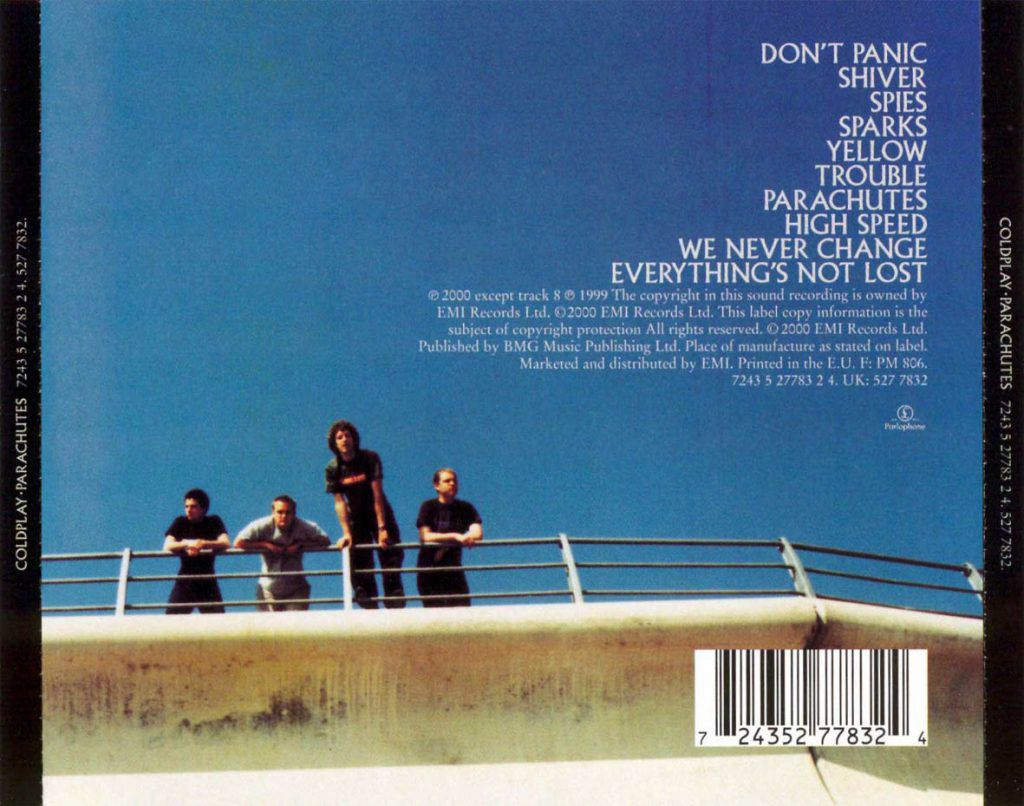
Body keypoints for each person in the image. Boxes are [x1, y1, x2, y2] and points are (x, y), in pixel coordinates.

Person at [325, 420, 406, 609]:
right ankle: (367, 596)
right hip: (356, 515)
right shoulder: (333, 468)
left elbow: (377, 494)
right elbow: (339, 502)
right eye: (339, 437)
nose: (344, 440)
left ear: (354, 439)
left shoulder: (369, 458)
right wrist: (346, 532)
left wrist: (382, 528)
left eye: (347, 436)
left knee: (389, 551)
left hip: (379, 512)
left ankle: (394, 596)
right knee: (358, 554)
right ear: (334, 443)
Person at [233, 495, 330, 611]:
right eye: (280, 512)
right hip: (268, 589)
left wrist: (300, 544)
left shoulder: (303, 525)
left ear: (294, 513)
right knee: (267, 623)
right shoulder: (262, 525)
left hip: (296, 589)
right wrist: (265, 545)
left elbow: (325, 540)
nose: (284, 516)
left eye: (288, 513)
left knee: (295, 623)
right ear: (273, 512)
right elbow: (238, 542)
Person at [416, 468, 482, 607]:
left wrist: (466, 536)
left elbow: (477, 533)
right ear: (437, 485)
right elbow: (425, 536)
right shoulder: (428, 506)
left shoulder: (465, 507)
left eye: (454, 481)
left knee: (462, 611)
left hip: (453, 569)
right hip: (429, 570)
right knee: (435, 613)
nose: (452, 484)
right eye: (447, 481)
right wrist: (456, 537)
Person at [163, 488, 230, 614]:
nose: (188, 510)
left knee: (217, 621)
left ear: (203, 509)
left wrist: (203, 544)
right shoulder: (180, 522)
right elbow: (167, 545)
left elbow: (225, 543)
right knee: (172, 620)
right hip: (185, 579)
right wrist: (187, 543)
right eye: (186, 506)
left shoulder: (213, 521)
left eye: (193, 506)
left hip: (207, 580)